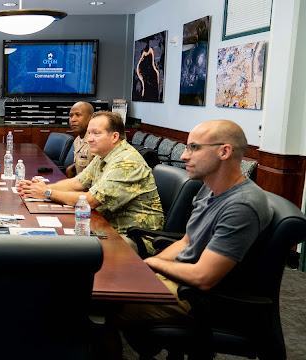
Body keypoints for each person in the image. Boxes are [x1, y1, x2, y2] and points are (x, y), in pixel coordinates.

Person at [113, 120, 273, 359]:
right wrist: (145, 270)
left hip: (201, 299)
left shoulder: (242, 205)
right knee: (102, 285)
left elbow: (203, 277)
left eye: (194, 148)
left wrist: (152, 264)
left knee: (95, 303)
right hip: (180, 280)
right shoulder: (209, 186)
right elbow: (187, 241)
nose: (185, 156)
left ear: (224, 151)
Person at [17, 110, 164, 251]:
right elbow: (76, 183)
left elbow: (91, 200)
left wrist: (46, 193)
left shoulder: (127, 162)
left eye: (96, 133)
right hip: (107, 226)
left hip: (134, 238)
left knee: (67, 250)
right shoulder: (103, 155)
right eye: (89, 133)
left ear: (114, 137)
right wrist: (41, 188)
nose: (89, 138)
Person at [64, 101, 96, 178]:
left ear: (90, 118)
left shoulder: (95, 141)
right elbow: (83, 161)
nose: (73, 120)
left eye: (78, 115)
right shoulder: (77, 140)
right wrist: (71, 167)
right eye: (71, 116)